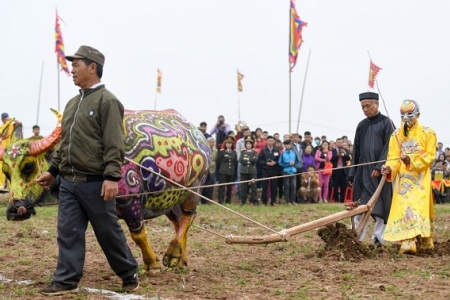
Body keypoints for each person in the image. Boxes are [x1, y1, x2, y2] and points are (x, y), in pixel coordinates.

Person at [36, 45, 138, 295]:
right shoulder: (72, 104)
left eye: (76, 65)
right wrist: (53, 170)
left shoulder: (108, 101)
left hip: (96, 183)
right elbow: (65, 143)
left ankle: (128, 272)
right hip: (69, 182)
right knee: (68, 232)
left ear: (92, 68)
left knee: (107, 232)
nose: (72, 70)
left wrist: (112, 177)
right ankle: (66, 281)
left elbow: (114, 143)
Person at [381, 99, 436, 254]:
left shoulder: (428, 133)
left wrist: (410, 160)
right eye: (402, 114)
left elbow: (430, 156)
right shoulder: (396, 136)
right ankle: (407, 241)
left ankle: (425, 239)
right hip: (404, 180)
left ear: (418, 114)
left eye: (409, 114)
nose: (405, 118)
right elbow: (393, 158)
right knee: (406, 208)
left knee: (420, 208)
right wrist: (388, 167)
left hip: (420, 178)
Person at [348, 92, 393, 246]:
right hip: (362, 173)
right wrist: (352, 173)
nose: (365, 109)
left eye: (368, 106)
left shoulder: (387, 123)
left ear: (377, 104)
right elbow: (357, 151)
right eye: (362, 107)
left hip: (379, 175)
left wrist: (379, 166)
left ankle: (378, 239)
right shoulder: (361, 125)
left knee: (381, 205)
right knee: (359, 205)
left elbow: (389, 147)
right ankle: (356, 237)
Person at [257, 136, 280, 206]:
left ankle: (273, 201)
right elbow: (259, 160)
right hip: (265, 170)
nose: (270, 142)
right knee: (265, 186)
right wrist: (266, 163)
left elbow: (279, 160)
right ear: (266, 142)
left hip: (274, 170)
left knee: (274, 186)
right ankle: (264, 202)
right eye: (269, 141)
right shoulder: (263, 150)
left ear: (273, 142)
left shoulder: (276, 150)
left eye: (271, 141)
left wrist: (275, 163)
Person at [216, 136, 237, 204]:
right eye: (227, 143)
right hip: (223, 172)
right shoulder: (222, 152)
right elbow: (218, 162)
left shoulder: (234, 152)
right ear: (225, 144)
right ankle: (221, 201)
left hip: (231, 172)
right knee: (221, 187)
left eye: (230, 143)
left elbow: (235, 163)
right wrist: (219, 171)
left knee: (229, 187)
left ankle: (228, 201)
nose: (229, 145)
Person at [278, 140, 299, 205]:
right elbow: (280, 163)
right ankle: (288, 201)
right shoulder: (282, 154)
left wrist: (294, 164)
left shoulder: (294, 152)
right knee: (287, 187)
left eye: (289, 144)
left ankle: (293, 201)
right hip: (286, 172)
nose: (288, 146)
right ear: (284, 145)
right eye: (286, 145)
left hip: (293, 171)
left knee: (293, 186)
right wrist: (288, 164)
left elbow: (297, 161)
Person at [239, 136, 259, 205]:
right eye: (247, 144)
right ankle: (243, 202)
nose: (248, 145)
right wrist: (250, 160)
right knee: (243, 187)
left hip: (252, 171)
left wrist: (247, 160)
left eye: (250, 144)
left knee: (254, 187)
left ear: (252, 145)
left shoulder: (255, 152)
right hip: (244, 172)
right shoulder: (242, 152)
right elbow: (241, 160)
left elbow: (255, 159)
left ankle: (255, 202)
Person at [330, 138, 351, 203]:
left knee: (343, 186)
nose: (340, 144)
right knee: (335, 186)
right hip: (336, 170)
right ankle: (336, 200)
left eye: (341, 142)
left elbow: (348, 158)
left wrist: (344, 153)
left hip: (343, 170)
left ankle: (342, 200)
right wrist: (337, 155)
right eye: (339, 142)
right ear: (336, 143)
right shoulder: (333, 150)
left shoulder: (345, 150)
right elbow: (331, 159)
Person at [201, 137, 217, 203]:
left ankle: (209, 199)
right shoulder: (203, 149)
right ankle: (203, 200)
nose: (212, 143)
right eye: (211, 142)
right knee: (204, 184)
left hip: (212, 170)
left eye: (213, 142)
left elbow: (217, 160)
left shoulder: (216, 151)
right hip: (205, 169)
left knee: (211, 185)